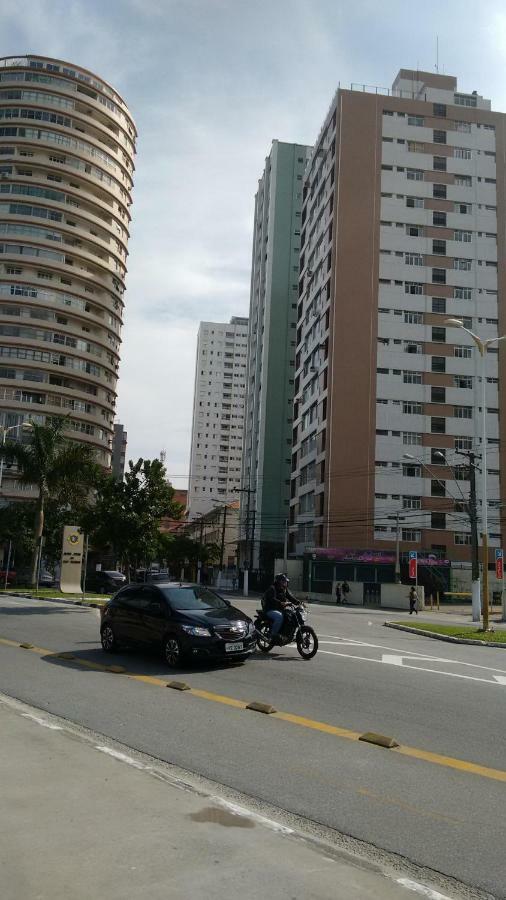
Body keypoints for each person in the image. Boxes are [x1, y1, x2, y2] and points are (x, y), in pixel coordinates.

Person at [262, 573, 299, 643]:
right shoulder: (272, 588)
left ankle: (286, 634)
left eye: (286, 581)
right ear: (279, 581)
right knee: (279, 617)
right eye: (284, 581)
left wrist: (298, 602)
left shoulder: (284, 589)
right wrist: (281, 603)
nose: (286, 583)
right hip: (270, 609)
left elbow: (290, 597)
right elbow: (272, 599)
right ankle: (272, 635)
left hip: (280, 609)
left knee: (290, 616)